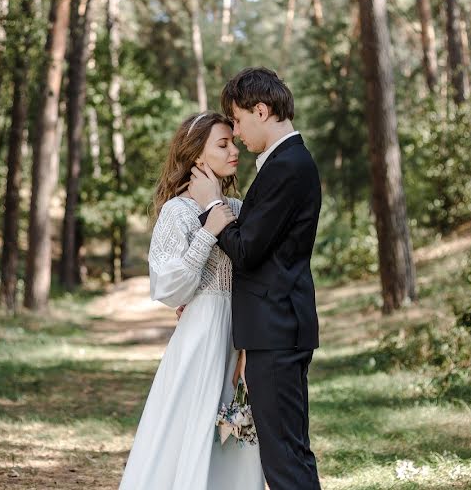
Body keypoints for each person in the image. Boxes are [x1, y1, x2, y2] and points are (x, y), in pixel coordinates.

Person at [189, 66, 322, 490]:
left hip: (278, 330)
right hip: (273, 329)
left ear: (261, 110)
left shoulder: (288, 165)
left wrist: (212, 206)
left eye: (240, 121)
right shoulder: (282, 163)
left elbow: (247, 250)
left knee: (284, 458)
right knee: (283, 453)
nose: (238, 134)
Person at [118, 112, 265, 490]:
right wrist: (208, 231)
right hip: (201, 338)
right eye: (223, 144)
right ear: (197, 156)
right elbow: (170, 289)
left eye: (233, 142)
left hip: (238, 335)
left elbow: (255, 272)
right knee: (191, 433)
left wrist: (249, 347)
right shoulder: (177, 212)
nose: (234, 150)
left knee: (235, 435)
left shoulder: (237, 208)